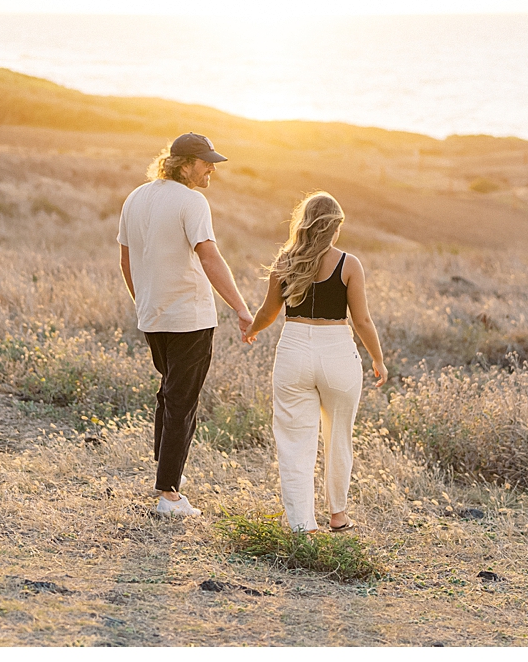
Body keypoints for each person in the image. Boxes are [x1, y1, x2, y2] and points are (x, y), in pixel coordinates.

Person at [118, 132, 254, 517]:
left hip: (154, 316)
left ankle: (164, 483)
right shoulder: (193, 201)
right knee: (181, 401)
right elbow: (210, 258)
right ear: (183, 164)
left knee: (168, 395)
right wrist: (242, 308)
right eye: (205, 162)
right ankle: (169, 495)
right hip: (190, 318)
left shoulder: (136, 197)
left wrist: (143, 301)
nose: (212, 168)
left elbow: (127, 262)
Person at [243, 192, 387, 532]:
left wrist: (252, 330)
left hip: (293, 350)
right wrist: (377, 358)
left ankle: (303, 525)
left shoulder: (285, 261)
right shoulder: (349, 264)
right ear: (334, 227)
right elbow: (363, 321)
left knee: (294, 441)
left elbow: (268, 313)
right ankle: (338, 515)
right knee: (339, 437)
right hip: (337, 351)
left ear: (303, 224)